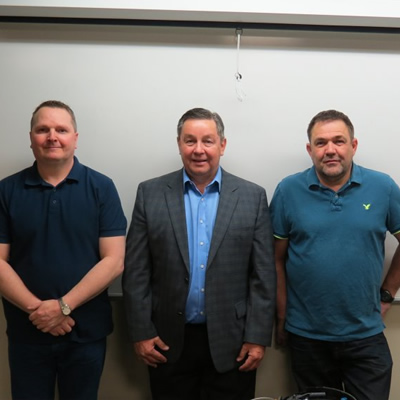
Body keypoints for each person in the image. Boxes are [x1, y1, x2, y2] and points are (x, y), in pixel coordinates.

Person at [122, 107, 276, 400]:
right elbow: (136, 272)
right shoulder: (150, 193)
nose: (199, 150)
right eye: (189, 140)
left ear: (222, 144)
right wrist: (141, 332)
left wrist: (257, 337)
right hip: (166, 341)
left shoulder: (252, 196)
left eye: (208, 140)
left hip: (233, 343)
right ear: (179, 144)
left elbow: (263, 276)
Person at [0, 100, 127, 400]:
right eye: (43, 130)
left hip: (86, 334)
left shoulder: (102, 187)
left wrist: (61, 307)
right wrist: (38, 310)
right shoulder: (6, 191)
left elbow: (114, 261)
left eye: (61, 129)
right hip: (27, 333)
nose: (52, 136)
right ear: (31, 138)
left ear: (75, 138)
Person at [270, 109, 400, 400]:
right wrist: (281, 318)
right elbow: (276, 260)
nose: (330, 150)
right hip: (307, 337)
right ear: (310, 149)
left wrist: (388, 293)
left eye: (339, 141)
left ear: (353, 146)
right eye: (321, 142)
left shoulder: (383, 187)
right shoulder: (288, 190)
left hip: (365, 336)